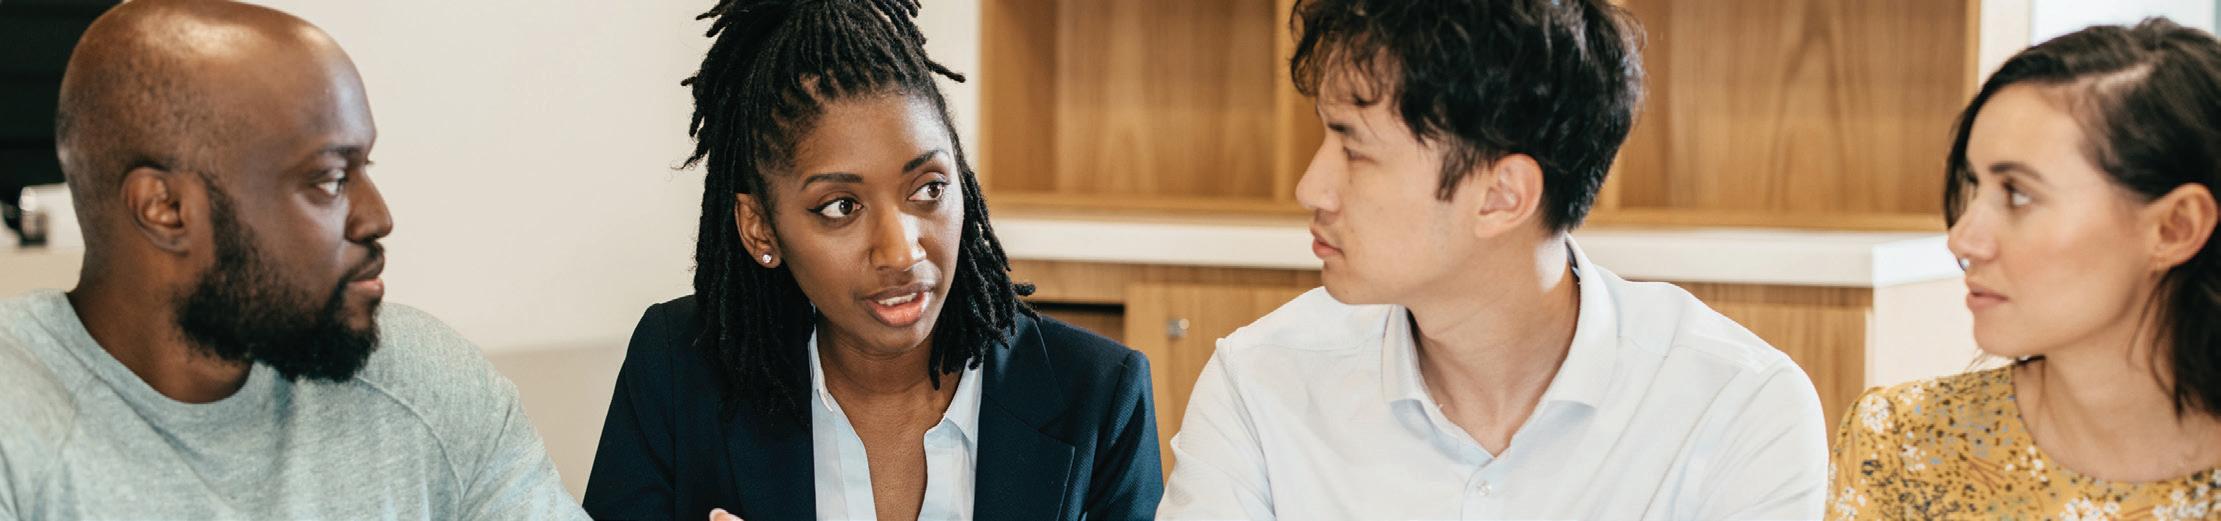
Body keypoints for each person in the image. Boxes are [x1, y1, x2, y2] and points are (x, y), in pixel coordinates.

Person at [1157, 1, 1830, 519]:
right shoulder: (1259, 382)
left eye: (1353, 149)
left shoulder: (1736, 407)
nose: (1311, 188)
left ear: (1502, 196)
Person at [0, 1, 585, 519]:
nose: (377, 217)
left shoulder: (428, 385)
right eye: (329, 179)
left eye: (364, 169)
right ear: (166, 209)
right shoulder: (18, 423)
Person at [579, 1, 1162, 519]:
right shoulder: (678, 371)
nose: (901, 251)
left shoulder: (1098, 396)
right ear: (761, 227)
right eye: (841, 206)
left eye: (928, 188)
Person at [1829, 19, 2221, 519]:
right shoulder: (1904, 444)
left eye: (2017, 194)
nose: (1962, 239)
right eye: (1974, 186)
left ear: (2175, 227)